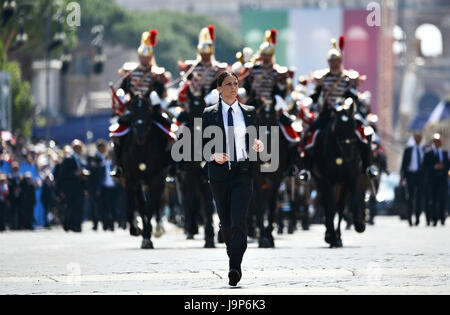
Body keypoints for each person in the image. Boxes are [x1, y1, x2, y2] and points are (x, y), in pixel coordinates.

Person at [202, 71, 264, 287]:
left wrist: (258, 145)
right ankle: (232, 254)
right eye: (228, 84)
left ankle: (234, 267)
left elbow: (255, 138)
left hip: (243, 173)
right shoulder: (209, 113)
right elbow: (201, 146)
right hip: (219, 176)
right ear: (219, 88)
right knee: (226, 223)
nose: (233, 87)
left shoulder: (249, 112)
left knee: (239, 220)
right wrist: (213, 155)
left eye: (236, 84)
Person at [299, 36, 377, 181]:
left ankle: (368, 166)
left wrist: (346, 103)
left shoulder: (348, 78)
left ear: (340, 62)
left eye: (336, 61)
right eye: (331, 61)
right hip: (327, 114)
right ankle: (306, 169)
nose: (334, 63)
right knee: (310, 134)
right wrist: (308, 101)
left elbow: (353, 96)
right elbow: (316, 95)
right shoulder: (322, 77)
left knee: (364, 134)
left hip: (346, 114)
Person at [109, 29, 171, 178]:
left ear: (150, 57)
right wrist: (125, 91)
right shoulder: (130, 73)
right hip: (134, 110)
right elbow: (122, 89)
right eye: (142, 57)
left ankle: (169, 166)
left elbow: (161, 92)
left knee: (170, 131)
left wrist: (158, 82)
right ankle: (119, 166)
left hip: (151, 110)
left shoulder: (156, 73)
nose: (144, 59)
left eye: (147, 57)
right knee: (116, 133)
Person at [57, 140, 88, 232]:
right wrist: (75, 173)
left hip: (79, 187)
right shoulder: (68, 159)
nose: (79, 150)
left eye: (80, 148)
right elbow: (62, 174)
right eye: (77, 148)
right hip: (70, 187)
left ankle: (77, 225)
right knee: (70, 206)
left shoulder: (81, 160)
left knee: (79, 206)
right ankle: (68, 224)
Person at [423, 133, 449, 226]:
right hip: (432, 180)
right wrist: (435, 167)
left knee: (442, 199)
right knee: (432, 200)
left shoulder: (445, 153)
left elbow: (448, 165)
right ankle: (433, 219)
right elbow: (425, 167)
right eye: (436, 141)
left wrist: (443, 167)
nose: (438, 143)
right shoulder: (428, 153)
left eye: (439, 141)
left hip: (442, 180)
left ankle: (442, 218)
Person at [400, 132, 425, 226]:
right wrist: (402, 177)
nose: (418, 139)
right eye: (416, 137)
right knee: (410, 197)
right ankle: (409, 217)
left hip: (420, 176)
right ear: (414, 139)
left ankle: (417, 217)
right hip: (410, 175)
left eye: (419, 137)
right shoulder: (408, 149)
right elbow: (403, 164)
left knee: (419, 197)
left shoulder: (424, 149)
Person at [7, 161, 21, 230]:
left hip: (19, 197)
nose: (15, 169)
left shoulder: (20, 176)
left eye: (16, 168)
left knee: (19, 211)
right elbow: (10, 186)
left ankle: (18, 225)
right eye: (14, 168)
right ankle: (12, 225)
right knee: (12, 211)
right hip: (12, 197)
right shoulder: (10, 176)